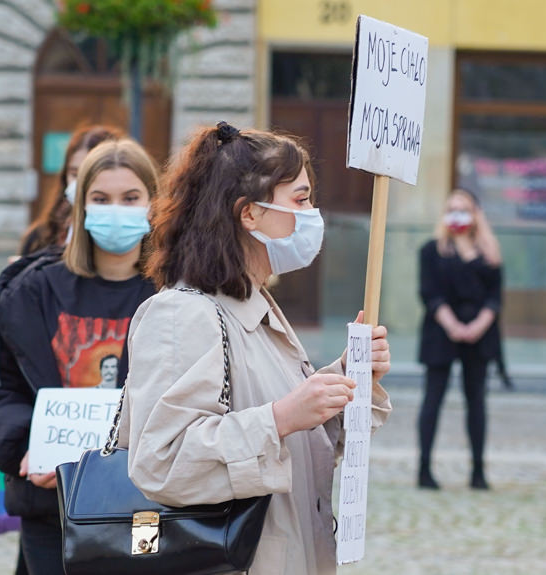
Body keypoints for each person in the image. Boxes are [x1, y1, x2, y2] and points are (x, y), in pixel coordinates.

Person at [119, 122, 393, 575]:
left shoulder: (257, 304)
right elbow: (162, 461)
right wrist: (282, 416)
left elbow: (302, 447)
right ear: (249, 214)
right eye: (300, 200)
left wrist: (348, 380)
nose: (312, 213)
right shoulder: (183, 314)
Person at [0, 138, 159, 575]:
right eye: (101, 198)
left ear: (153, 203)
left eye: (131, 198)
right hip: (52, 505)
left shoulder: (177, 295)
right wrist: (23, 447)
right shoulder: (30, 291)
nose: (117, 210)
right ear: (80, 207)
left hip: (147, 508)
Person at [416, 187, 503, 491]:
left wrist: (478, 325)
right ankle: (424, 468)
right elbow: (429, 293)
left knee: (476, 400)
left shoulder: (489, 254)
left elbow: (495, 297)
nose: (457, 215)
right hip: (441, 331)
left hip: (480, 334)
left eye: (463, 209)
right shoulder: (432, 250)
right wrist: (452, 325)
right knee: (433, 399)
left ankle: (478, 470)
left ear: (476, 214)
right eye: (451, 208)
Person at [19, 124, 123, 256]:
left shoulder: (129, 238)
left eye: (90, 175)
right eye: (74, 174)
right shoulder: (41, 236)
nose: (80, 184)